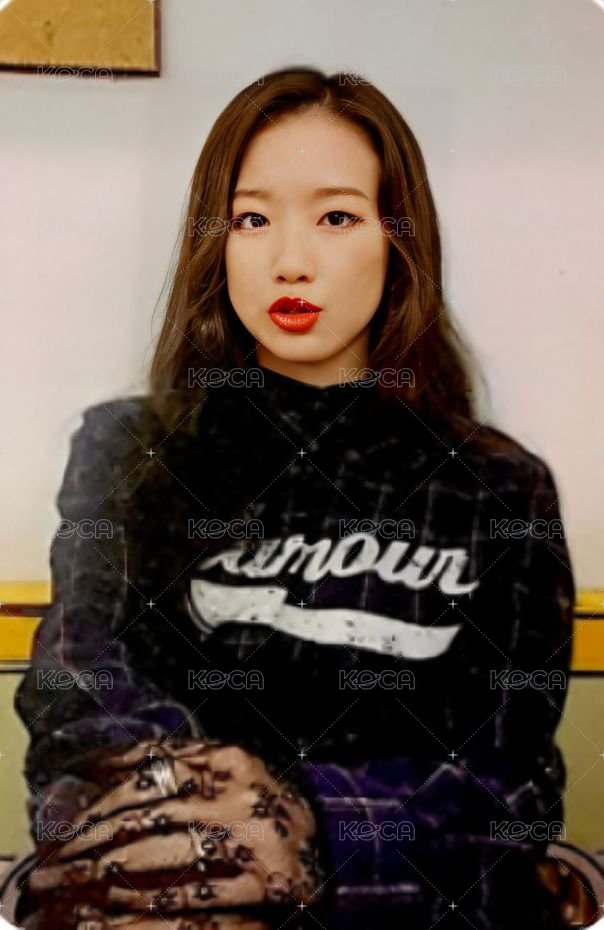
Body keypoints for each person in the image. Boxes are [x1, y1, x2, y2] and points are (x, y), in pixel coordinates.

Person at [13, 67, 576, 929]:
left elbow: (512, 784)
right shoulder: (126, 447)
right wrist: (202, 815)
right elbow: (77, 695)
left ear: (399, 241)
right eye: (252, 218)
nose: (290, 261)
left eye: (336, 217)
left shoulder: (498, 485)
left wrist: (305, 821)